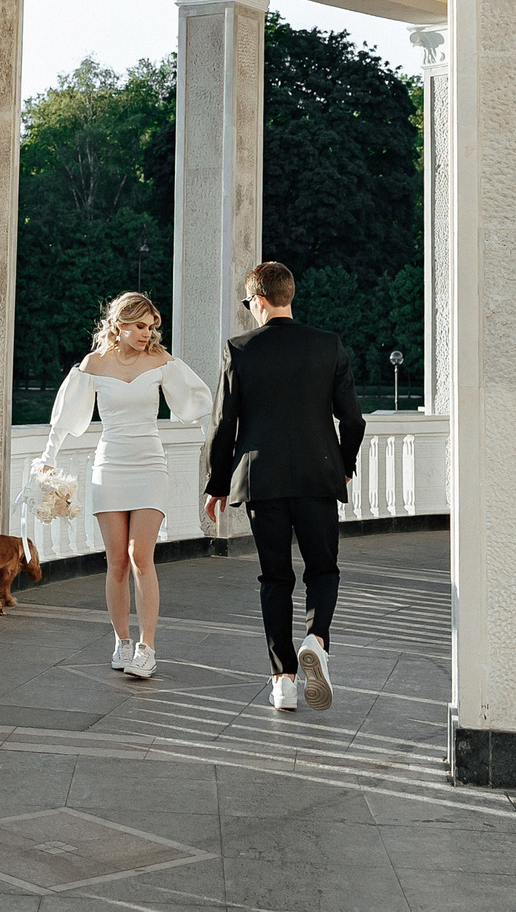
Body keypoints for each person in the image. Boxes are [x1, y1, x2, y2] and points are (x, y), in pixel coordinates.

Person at [203, 261, 365, 714]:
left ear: (257, 300)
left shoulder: (238, 349)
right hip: (318, 476)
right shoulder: (328, 346)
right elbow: (352, 419)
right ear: (288, 295)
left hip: (262, 481)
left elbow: (224, 424)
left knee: (275, 578)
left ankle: (283, 681)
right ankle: (316, 638)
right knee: (323, 570)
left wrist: (217, 483)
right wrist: (344, 463)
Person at [38, 291, 213, 680]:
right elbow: (64, 418)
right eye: (139, 327)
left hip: (150, 464)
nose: (146, 335)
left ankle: (147, 647)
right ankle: (121, 641)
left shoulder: (161, 362)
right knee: (116, 561)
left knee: (140, 556)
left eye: (151, 328)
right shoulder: (93, 364)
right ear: (119, 324)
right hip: (109, 466)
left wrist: (214, 444)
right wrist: (48, 459)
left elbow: (198, 403)